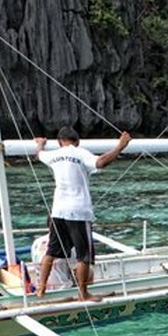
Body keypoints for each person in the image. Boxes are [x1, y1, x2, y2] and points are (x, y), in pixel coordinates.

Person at [34, 126, 131, 301]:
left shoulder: (53, 155)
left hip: (58, 211)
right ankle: (83, 293)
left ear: (58, 142)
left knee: (51, 251)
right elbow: (101, 162)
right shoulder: (80, 153)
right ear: (77, 142)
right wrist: (120, 146)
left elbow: (39, 154)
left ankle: (40, 288)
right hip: (79, 211)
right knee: (83, 255)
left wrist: (40, 144)